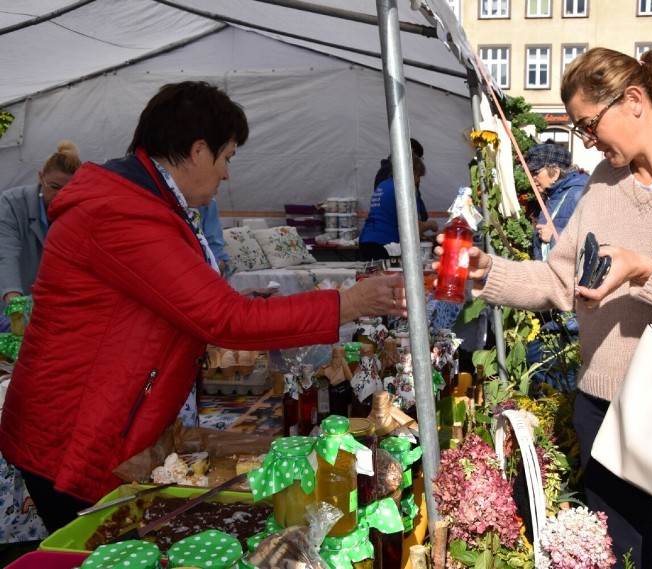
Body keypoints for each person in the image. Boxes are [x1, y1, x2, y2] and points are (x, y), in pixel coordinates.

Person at [0, 81, 405, 532]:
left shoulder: (139, 203)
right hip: (75, 434)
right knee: (97, 550)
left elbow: (182, 303)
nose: (227, 174)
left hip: (92, 420)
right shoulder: (120, 213)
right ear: (197, 150)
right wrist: (347, 304)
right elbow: (224, 321)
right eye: (227, 157)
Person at [436, 48, 652, 567]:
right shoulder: (605, 180)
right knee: (613, 557)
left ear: (635, 100)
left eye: (589, 125)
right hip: (601, 411)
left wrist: (648, 272)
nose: (586, 141)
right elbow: (561, 280)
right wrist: (490, 273)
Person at [524, 142, 588, 392]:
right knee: (544, 364)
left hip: (570, 301)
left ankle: (561, 423)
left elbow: (591, 243)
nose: (532, 179)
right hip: (554, 297)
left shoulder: (578, 193)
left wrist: (555, 235)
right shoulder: (558, 194)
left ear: (554, 171)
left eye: (536, 172)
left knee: (563, 372)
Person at [0, 141, 82, 310]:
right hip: (14, 300)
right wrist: (14, 301)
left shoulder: (82, 212)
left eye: (69, 190)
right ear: (41, 176)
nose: (60, 196)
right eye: (54, 187)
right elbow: (6, 253)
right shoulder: (12, 203)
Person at [359, 155, 438, 261]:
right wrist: (431, 224)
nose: (418, 180)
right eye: (417, 175)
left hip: (366, 240)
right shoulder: (403, 189)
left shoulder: (383, 185)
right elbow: (414, 228)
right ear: (409, 172)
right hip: (386, 246)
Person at [373, 138, 430, 223]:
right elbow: (389, 205)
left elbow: (416, 196)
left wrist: (423, 216)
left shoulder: (407, 176)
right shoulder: (387, 172)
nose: (418, 180)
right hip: (392, 227)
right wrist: (426, 225)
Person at [198, 198, 229, 275]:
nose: (216, 191)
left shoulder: (208, 200)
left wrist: (218, 263)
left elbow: (214, 241)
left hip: (203, 268)